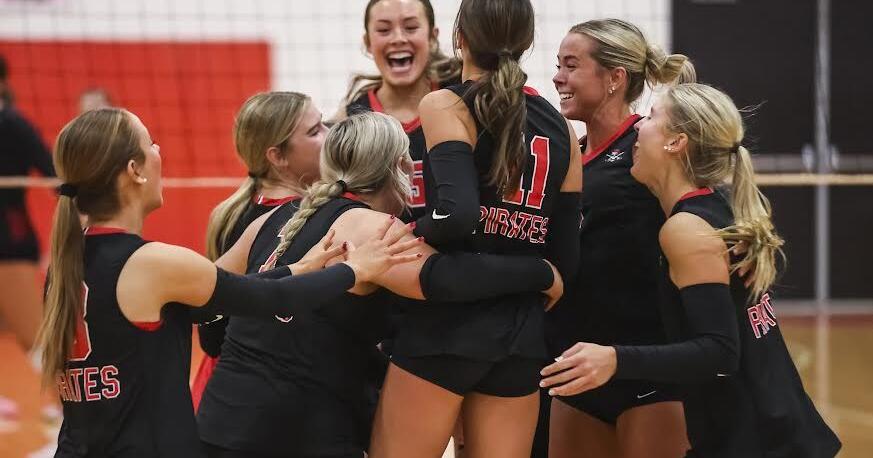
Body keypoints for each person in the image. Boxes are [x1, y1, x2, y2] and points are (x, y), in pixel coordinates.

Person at [37, 108, 420, 457]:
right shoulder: (153, 262)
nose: (159, 151)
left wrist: (301, 268)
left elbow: (239, 296)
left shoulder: (67, 263)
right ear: (135, 170)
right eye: (150, 142)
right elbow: (265, 299)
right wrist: (355, 270)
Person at [198, 111, 563, 457]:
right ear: (403, 168)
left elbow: (208, 297)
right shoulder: (372, 227)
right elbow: (444, 278)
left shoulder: (277, 215)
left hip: (219, 422)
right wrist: (541, 273)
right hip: (298, 430)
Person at [541, 83, 842, 457]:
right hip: (770, 429)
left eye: (650, 118)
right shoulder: (715, 208)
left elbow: (720, 351)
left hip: (758, 440)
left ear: (676, 142)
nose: (637, 127)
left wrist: (615, 359)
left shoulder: (686, 229)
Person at [369, 1, 584, 456]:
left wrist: (410, 230)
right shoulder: (563, 129)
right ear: (526, 43)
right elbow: (565, 260)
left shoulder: (446, 102)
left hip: (443, 328)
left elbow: (457, 215)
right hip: (520, 337)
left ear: (459, 36)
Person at [544, 19, 694, 458]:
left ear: (615, 78)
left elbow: (704, 211)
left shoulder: (648, 147)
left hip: (647, 367)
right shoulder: (564, 152)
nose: (558, 77)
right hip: (576, 365)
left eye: (571, 65)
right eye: (557, 65)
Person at [192, 91, 326, 410]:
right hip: (264, 396)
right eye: (315, 130)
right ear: (277, 156)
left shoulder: (232, 212)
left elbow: (211, 338)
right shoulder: (302, 221)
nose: (330, 135)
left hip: (221, 387)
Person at [340, 0, 460, 221]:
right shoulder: (350, 121)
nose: (398, 38)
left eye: (411, 27)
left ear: (432, 37)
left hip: (456, 253)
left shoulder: (461, 99)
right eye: (384, 30)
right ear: (367, 41)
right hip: (389, 252)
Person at [0, 54, 57, 421]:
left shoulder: (13, 124)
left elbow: (54, 174)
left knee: (32, 334)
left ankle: (68, 405)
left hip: (8, 242)